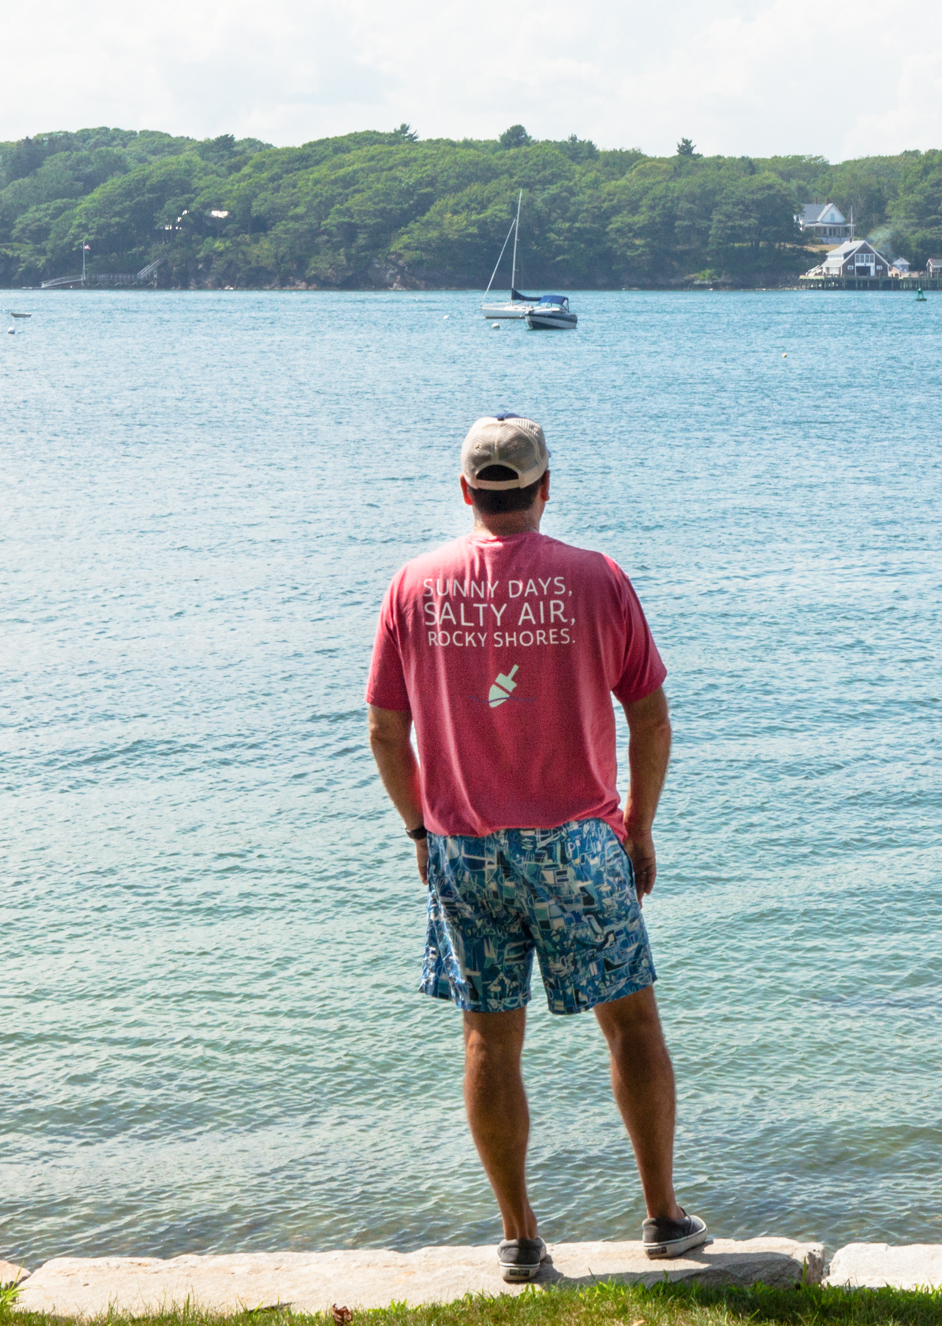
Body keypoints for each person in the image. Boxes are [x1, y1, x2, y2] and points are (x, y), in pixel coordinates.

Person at [366, 413, 709, 1284]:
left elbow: (384, 728)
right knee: (630, 1021)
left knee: (490, 1039)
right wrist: (638, 824)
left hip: (465, 847)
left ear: (466, 491)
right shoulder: (596, 577)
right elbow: (651, 714)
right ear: (545, 487)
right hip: (580, 841)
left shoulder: (414, 584)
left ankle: (520, 1236)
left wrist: (420, 829)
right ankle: (664, 1216)